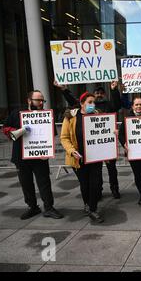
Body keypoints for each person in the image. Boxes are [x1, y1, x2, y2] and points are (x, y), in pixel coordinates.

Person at [54, 80, 121, 199]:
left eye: (101, 93)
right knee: (87, 182)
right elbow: (64, 137)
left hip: (101, 150)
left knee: (108, 171)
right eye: (97, 93)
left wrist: (114, 89)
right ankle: (94, 197)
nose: (98, 95)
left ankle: (113, 189)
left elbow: (116, 106)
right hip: (82, 155)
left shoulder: (104, 108)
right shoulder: (73, 115)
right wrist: (64, 90)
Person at [2, 90, 63, 220]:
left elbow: (51, 135)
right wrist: (17, 131)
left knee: (44, 182)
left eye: (43, 100)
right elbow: (5, 128)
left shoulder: (46, 115)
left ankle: (49, 208)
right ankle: (32, 207)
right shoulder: (17, 113)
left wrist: (47, 150)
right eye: (38, 100)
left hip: (40, 156)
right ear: (29, 101)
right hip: (21, 156)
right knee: (26, 183)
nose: (41, 103)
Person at [60, 92, 104, 223]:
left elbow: (104, 132)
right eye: (90, 102)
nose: (92, 105)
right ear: (82, 103)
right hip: (78, 158)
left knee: (95, 184)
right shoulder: (71, 117)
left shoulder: (97, 115)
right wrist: (71, 151)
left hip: (95, 157)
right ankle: (88, 205)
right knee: (84, 184)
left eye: (94, 102)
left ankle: (92, 209)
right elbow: (64, 137)